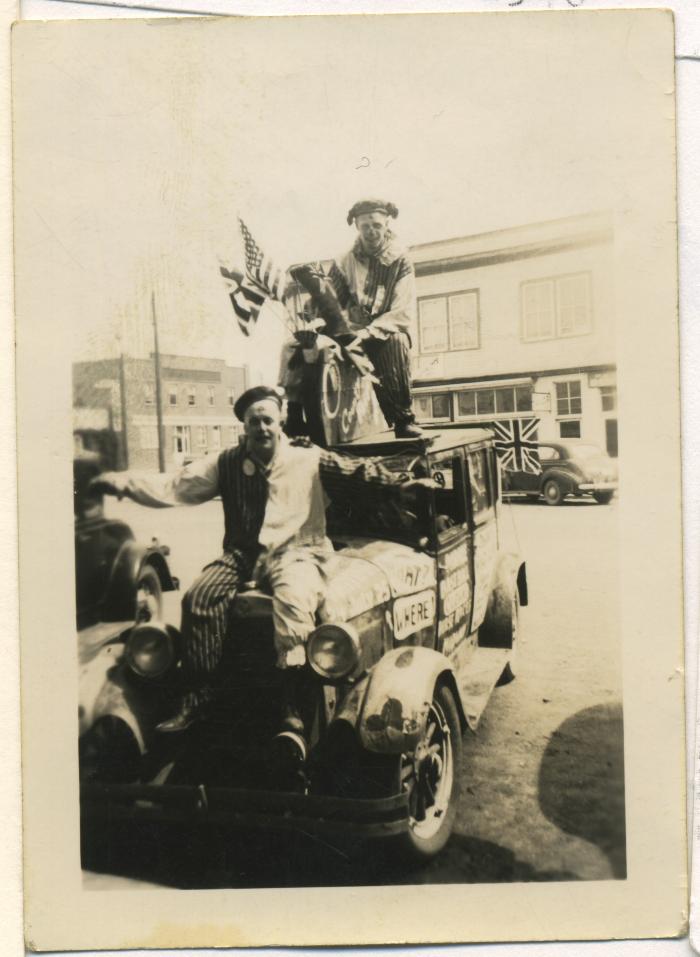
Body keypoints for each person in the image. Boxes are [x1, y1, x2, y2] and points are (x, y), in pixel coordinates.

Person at [92, 385, 430, 747]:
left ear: (279, 420)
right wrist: (120, 483)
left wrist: (404, 485)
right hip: (243, 555)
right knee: (198, 597)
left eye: (267, 420)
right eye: (254, 422)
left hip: (298, 550)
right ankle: (199, 697)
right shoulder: (226, 463)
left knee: (294, 603)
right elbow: (175, 486)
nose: (262, 428)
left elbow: (357, 473)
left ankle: (292, 704)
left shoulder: (309, 458)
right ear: (245, 426)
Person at [283, 199, 423, 440]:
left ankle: (403, 419)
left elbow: (402, 312)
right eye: (365, 226)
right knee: (297, 345)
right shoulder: (344, 261)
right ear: (357, 226)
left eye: (377, 225)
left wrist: (368, 332)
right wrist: (312, 318)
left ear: (386, 224)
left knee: (398, 341)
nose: (371, 231)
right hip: (349, 330)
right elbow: (331, 300)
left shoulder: (401, 260)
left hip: (384, 331)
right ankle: (296, 415)